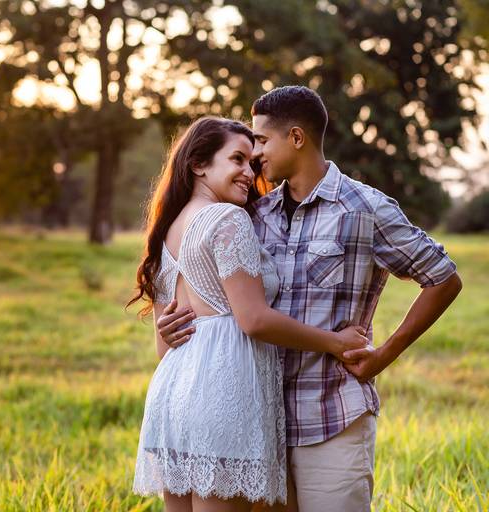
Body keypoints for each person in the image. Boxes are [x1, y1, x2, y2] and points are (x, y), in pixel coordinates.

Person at [156, 87, 463, 511]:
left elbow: (443, 278)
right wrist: (174, 329)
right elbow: (218, 296)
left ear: (296, 138)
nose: (255, 155)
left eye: (261, 141)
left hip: (330, 415)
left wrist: (384, 354)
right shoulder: (252, 213)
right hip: (259, 420)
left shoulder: (364, 208)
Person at [129, 116, 370, 511]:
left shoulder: (167, 228)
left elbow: (163, 348)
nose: (249, 173)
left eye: (252, 164)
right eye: (237, 160)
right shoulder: (227, 219)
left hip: (173, 397)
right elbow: (254, 320)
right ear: (199, 164)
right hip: (224, 396)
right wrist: (336, 342)